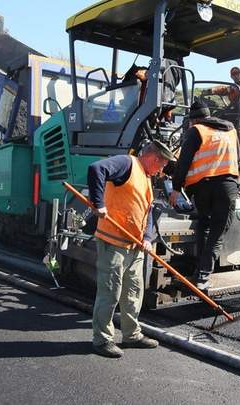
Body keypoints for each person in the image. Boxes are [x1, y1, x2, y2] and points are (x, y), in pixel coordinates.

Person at [87, 141, 175, 358]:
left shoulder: (146, 176)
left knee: (133, 292)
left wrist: (146, 237)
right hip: (113, 244)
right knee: (110, 292)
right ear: (154, 159)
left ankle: (131, 335)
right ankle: (102, 340)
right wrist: (98, 203)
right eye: (162, 165)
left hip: (134, 246)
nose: (161, 170)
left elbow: (147, 211)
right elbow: (96, 168)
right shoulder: (127, 164)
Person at [169, 100, 240, 289]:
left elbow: (183, 162)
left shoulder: (197, 131)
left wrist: (176, 188)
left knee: (205, 227)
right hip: (227, 186)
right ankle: (202, 275)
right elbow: (236, 156)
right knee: (217, 232)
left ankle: (198, 274)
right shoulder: (230, 130)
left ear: (194, 120)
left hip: (203, 188)